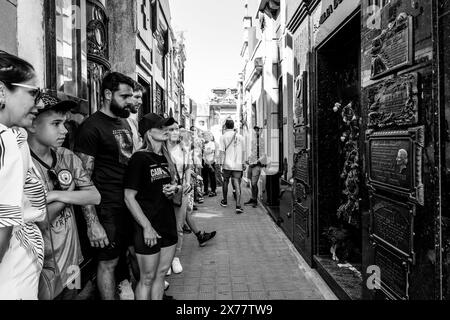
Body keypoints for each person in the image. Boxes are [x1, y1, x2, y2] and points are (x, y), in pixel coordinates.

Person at [27, 93, 101, 299]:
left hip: (71, 261)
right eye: (56, 123)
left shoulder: (66, 156)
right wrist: (69, 194)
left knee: (72, 295)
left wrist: (55, 194)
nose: (64, 130)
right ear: (32, 125)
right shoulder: (22, 163)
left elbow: (94, 196)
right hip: (39, 267)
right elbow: (41, 220)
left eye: (65, 123)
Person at [74, 71, 136, 300]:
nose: (130, 100)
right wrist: (92, 223)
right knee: (107, 264)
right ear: (108, 94)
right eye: (125, 95)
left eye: (131, 96)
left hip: (127, 205)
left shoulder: (124, 122)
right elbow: (82, 178)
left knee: (129, 257)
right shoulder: (91, 127)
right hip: (106, 208)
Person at [0, 51, 47, 299]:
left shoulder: (15, 137)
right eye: (33, 93)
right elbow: (3, 228)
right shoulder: (6, 140)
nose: (39, 104)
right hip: (11, 276)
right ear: (1, 90)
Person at [124, 113, 178, 300]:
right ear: (148, 132)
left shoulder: (165, 156)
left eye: (167, 127)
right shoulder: (139, 158)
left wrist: (174, 189)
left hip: (167, 223)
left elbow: (165, 188)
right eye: (161, 127)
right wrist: (147, 227)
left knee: (160, 275)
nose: (166, 131)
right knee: (147, 278)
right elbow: (129, 197)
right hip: (148, 226)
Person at [219, 119, 246, 214]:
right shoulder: (241, 137)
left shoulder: (223, 137)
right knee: (237, 184)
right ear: (233, 126)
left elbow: (222, 152)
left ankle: (225, 201)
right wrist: (243, 163)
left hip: (227, 164)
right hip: (238, 164)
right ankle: (238, 205)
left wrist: (221, 164)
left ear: (225, 126)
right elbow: (243, 151)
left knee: (225, 181)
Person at [244, 126, 267, 208]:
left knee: (254, 183)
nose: (256, 132)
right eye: (255, 131)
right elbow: (253, 152)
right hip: (252, 164)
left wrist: (256, 162)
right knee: (251, 182)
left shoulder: (262, 141)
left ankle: (255, 201)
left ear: (260, 132)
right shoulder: (253, 141)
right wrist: (249, 159)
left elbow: (264, 154)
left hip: (257, 165)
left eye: (258, 131)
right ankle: (253, 198)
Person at [202, 131, 218, 197]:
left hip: (211, 162)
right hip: (204, 162)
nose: (205, 137)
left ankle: (213, 191)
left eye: (207, 136)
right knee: (205, 177)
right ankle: (206, 190)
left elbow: (211, 151)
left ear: (210, 137)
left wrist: (203, 151)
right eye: (204, 136)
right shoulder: (202, 144)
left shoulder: (212, 143)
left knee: (212, 177)